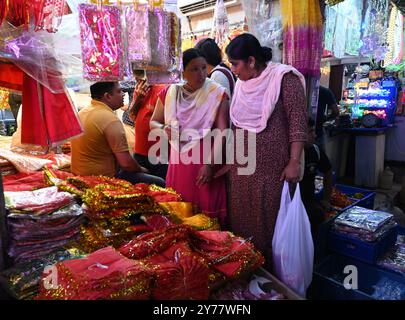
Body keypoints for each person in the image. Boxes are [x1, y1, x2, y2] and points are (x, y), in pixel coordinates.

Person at [225, 33, 308, 269]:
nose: (233, 70)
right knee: (241, 222)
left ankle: (272, 279)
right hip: (243, 169)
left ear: (251, 61)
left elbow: (298, 122)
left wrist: (294, 161)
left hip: (273, 170)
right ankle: (247, 272)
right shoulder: (242, 84)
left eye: (235, 63)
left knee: (270, 224)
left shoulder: (284, 78)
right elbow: (236, 124)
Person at [150, 48, 230, 227]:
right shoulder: (170, 92)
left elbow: (223, 131)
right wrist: (163, 128)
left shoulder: (216, 93)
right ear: (182, 72)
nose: (201, 74)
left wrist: (210, 165)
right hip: (179, 162)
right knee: (181, 214)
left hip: (206, 162)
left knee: (207, 220)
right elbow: (153, 122)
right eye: (194, 69)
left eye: (203, 68)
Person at [71, 82, 165, 187]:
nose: (123, 93)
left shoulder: (83, 112)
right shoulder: (109, 119)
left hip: (80, 174)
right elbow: (126, 164)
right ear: (107, 96)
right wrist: (143, 170)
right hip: (103, 179)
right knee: (160, 182)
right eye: (119, 91)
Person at [129, 74, 168, 180]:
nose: (137, 78)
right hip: (139, 150)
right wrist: (139, 98)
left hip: (159, 153)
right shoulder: (139, 89)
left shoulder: (163, 89)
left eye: (140, 73)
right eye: (135, 73)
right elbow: (132, 117)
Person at [300, 118, 333, 238]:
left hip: (308, 201)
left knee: (317, 216)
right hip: (289, 204)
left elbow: (328, 172)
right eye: (310, 132)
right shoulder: (287, 153)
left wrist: (326, 199)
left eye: (313, 131)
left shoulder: (316, 150)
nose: (314, 135)